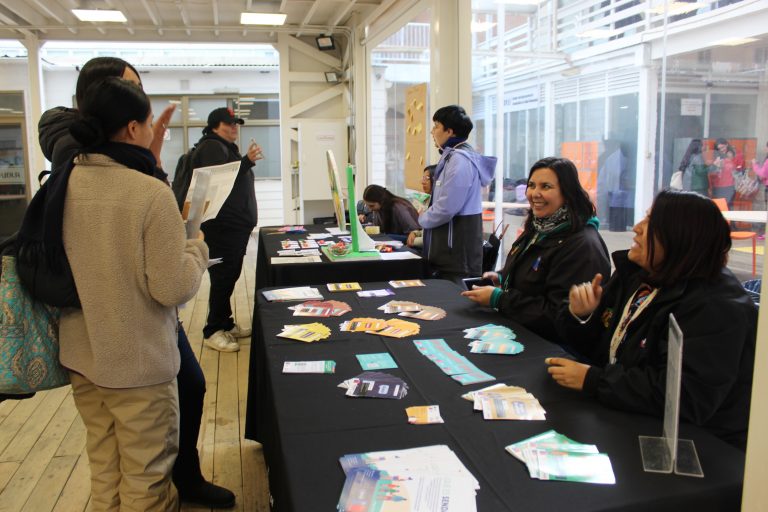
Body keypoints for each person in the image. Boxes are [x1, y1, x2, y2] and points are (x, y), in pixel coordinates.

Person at [36, 57, 236, 508]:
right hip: (138, 364)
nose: (153, 130)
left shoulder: (64, 179)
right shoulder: (148, 192)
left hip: (84, 355)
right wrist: (197, 246)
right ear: (131, 128)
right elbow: (172, 287)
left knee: (106, 469)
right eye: (148, 121)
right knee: (147, 480)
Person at [546, 190, 756, 450]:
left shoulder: (716, 307)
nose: (636, 229)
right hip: (628, 418)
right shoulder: (637, 276)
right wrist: (581, 316)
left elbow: (685, 398)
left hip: (699, 447)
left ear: (679, 238)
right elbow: (603, 351)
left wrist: (594, 380)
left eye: (649, 223)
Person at [461, 157, 610, 344]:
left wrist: (500, 299)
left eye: (546, 187)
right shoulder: (540, 227)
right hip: (519, 331)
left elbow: (558, 315)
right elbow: (535, 274)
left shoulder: (582, 247)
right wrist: (503, 277)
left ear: (567, 192)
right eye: (531, 185)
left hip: (550, 347)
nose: (534, 193)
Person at [191, 107, 263, 352]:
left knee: (228, 276)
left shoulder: (224, 148)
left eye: (236, 124)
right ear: (214, 126)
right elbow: (222, 180)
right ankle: (212, 330)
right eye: (229, 124)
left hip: (233, 227)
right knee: (223, 278)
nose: (234, 128)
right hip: (222, 228)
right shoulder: (211, 147)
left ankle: (225, 322)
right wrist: (247, 162)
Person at [418, 105, 496, 283]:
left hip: (457, 255)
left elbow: (447, 207)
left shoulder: (460, 160)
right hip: (449, 251)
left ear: (450, 131)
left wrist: (422, 218)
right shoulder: (452, 156)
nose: (432, 131)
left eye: (436, 126)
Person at [708, 137, 743, 207]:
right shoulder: (717, 157)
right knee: (720, 207)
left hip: (729, 185)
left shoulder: (733, 155)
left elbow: (738, 167)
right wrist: (717, 167)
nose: (721, 150)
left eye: (722, 147)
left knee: (728, 206)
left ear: (727, 145)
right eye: (719, 149)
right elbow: (712, 173)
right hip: (718, 186)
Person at [407, 165, 436, 249]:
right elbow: (425, 230)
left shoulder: (439, 205)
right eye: (423, 178)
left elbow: (433, 238)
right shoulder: (428, 200)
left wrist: (413, 241)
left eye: (427, 178)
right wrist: (415, 233)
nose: (423, 182)